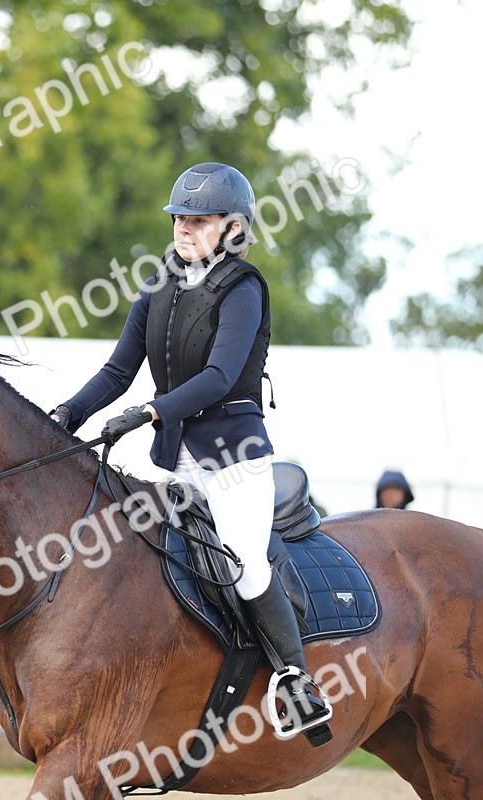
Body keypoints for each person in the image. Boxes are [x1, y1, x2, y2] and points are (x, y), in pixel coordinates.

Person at [49, 162, 331, 742]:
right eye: (179, 218)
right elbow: (117, 369)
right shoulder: (159, 283)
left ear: (232, 228)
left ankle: (295, 680)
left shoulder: (244, 287)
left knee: (242, 563)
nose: (183, 228)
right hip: (173, 458)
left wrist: (151, 412)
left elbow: (220, 376)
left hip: (233, 457)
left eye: (198, 220)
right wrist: (66, 415)